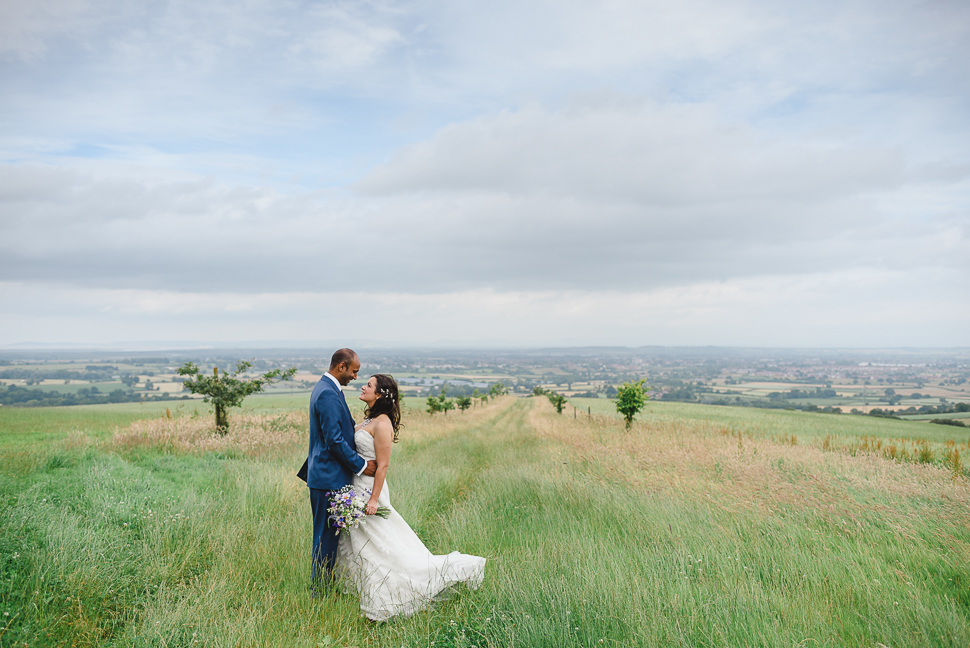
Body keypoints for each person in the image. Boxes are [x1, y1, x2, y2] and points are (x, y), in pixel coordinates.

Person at [336, 373, 486, 622]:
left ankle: (392, 591)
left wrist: (374, 500)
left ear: (380, 394)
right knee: (361, 542)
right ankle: (360, 587)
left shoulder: (382, 422)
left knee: (378, 541)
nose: (363, 386)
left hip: (371, 490)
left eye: (369, 385)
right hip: (356, 486)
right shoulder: (368, 419)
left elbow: (383, 466)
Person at [298, 348, 377, 591]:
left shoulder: (329, 389)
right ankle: (319, 591)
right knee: (325, 539)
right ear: (341, 366)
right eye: (354, 371)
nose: (355, 377)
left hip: (328, 476)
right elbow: (333, 440)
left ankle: (326, 586)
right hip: (328, 478)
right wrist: (362, 465)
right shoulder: (328, 394)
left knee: (331, 538)